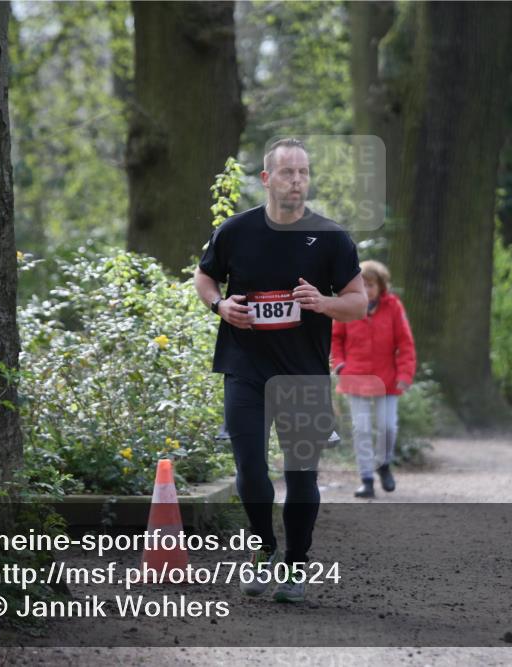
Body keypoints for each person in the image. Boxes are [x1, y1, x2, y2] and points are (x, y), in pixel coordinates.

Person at [193, 138, 366, 603]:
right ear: (267, 179)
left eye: (304, 173)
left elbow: (358, 302)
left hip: (303, 373)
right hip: (244, 366)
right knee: (249, 468)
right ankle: (263, 546)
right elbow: (204, 277)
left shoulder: (331, 237)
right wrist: (220, 305)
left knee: (303, 473)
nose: (296, 181)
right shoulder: (236, 230)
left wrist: (324, 302)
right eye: (287, 172)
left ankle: (296, 563)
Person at [331, 260, 416, 498]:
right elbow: (336, 339)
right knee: (362, 429)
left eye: (370, 285)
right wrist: (340, 364)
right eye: (362, 285)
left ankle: (384, 464)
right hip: (355, 376)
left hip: (387, 378)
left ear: (380, 286)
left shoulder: (393, 307)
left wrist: (405, 374)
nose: (366, 290)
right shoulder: (346, 306)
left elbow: (405, 344)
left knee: (388, 426)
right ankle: (366, 478)